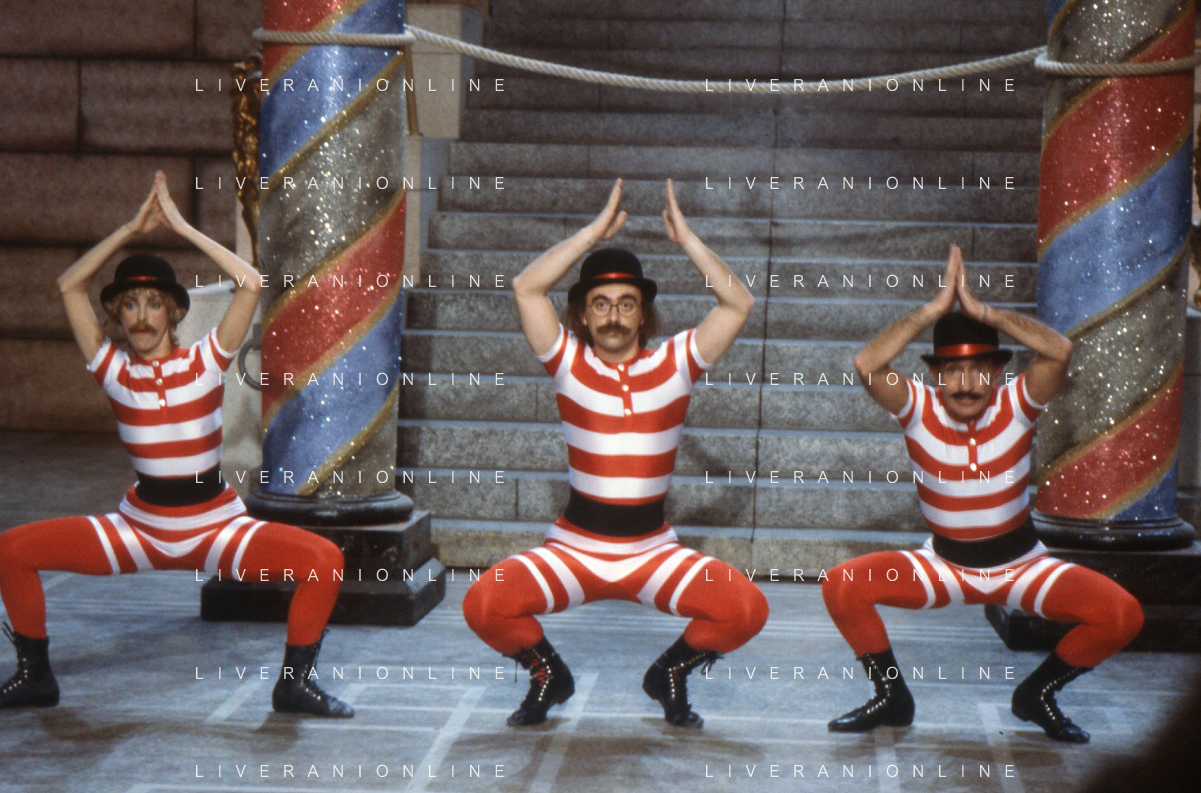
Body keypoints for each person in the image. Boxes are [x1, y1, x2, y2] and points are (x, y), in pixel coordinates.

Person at [0, 173, 353, 717]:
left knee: (324, 560)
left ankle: (294, 685)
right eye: (129, 305)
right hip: (140, 530)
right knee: (11, 550)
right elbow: (70, 285)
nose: (142, 316)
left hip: (215, 528)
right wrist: (130, 229)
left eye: (153, 304)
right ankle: (36, 677)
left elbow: (251, 283)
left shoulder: (205, 361)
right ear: (117, 316)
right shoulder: (113, 370)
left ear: (174, 311)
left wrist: (183, 228)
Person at [462, 179, 769, 728]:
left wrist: (687, 241)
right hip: (575, 548)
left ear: (643, 314)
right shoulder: (567, 362)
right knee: (484, 604)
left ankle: (669, 674)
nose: (613, 316)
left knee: (746, 609)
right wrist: (592, 235)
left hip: (652, 551)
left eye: (627, 305)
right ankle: (548, 675)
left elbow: (738, 302)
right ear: (582, 315)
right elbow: (527, 288)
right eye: (600, 304)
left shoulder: (675, 362)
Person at [823, 245, 1144, 743]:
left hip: (1021, 566)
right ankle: (892, 696)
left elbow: (1059, 350)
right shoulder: (918, 407)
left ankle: (1037, 693)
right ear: (936, 375)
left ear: (996, 373)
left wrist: (985, 312)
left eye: (978, 370)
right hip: (944, 566)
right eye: (953, 370)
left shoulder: (1017, 402)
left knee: (1123, 615)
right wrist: (934, 309)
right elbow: (867, 363)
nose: (966, 383)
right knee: (842, 585)